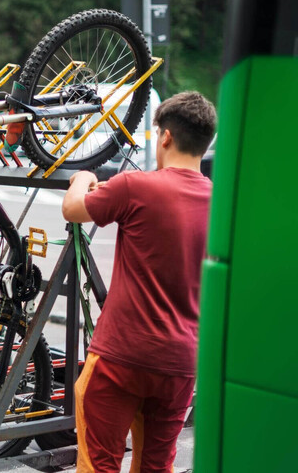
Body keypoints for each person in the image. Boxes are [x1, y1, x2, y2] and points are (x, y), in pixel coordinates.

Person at [61, 91, 216, 473]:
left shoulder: (135, 185)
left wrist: (83, 177)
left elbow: (72, 209)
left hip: (121, 356)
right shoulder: (223, 203)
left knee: (100, 464)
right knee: (155, 466)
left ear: (164, 136)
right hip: (181, 363)